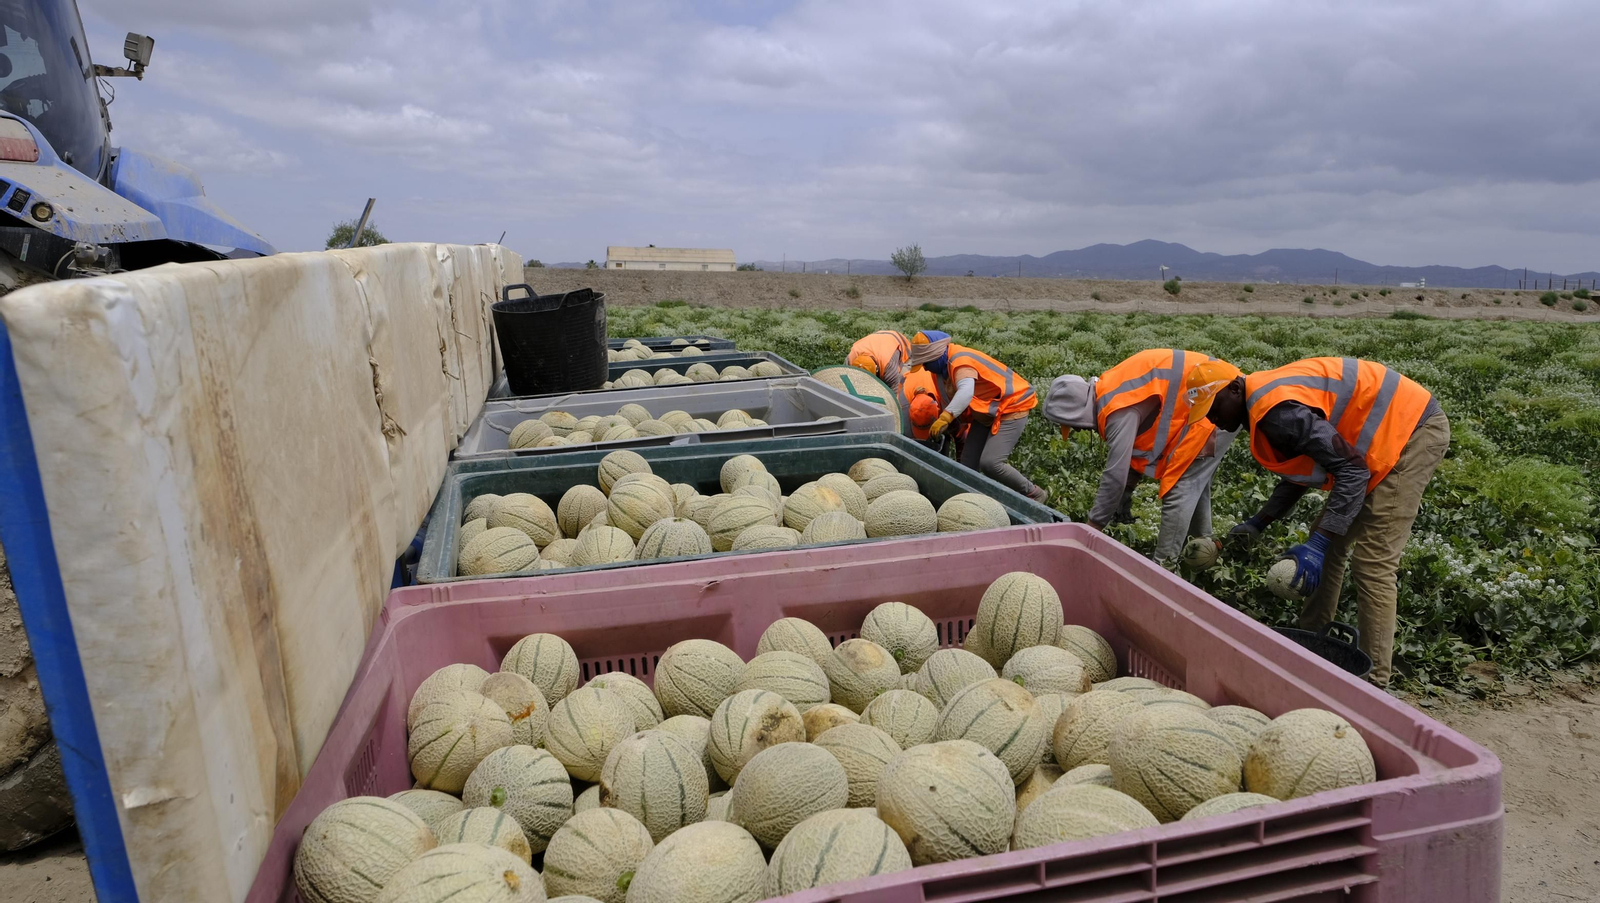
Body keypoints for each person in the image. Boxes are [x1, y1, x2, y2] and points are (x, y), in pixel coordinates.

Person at [1184, 356, 1450, 688]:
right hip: (1383, 441)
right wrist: (1259, 522)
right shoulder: (1265, 403)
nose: (1213, 419)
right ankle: (1311, 640)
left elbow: (1352, 471)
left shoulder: (1277, 412)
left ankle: (1374, 684)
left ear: (1235, 388)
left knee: (1372, 562)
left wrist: (1318, 545)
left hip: (1412, 433)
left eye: (1214, 407)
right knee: (1327, 539)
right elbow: (1303, 470)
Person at [1041, 349, 1236, 564]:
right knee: (1195, 479)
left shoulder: (1116, 410)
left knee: (1181, 485)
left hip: (1219, 400)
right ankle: (1205, 548)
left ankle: (1164, 566)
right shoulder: (1111, 390)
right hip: (1216, 388)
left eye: (1073, 426)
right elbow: (1133, 454)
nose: (1077, 430)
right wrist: (1126, 493)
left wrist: (1092, 528)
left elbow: (1116, 473)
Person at [906, 330, 1048, 503]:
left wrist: (946, 417)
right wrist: (948, 423)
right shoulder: (940, 372)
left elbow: (966, 391)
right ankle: (973, 504)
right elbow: (947, 400)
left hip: (1012, 405)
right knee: (967, 465)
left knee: (991, 463)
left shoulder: (960, 360)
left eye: (925, 363)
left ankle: (1033, 493)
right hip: (988, 409)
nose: (925, 367)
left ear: (935, 356)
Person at [846, 329, 912, 394]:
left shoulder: (889, 367)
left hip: (898, 340)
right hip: (878, 338)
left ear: (876, 369)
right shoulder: (850, 359)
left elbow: (895, 393)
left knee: (904, 381)